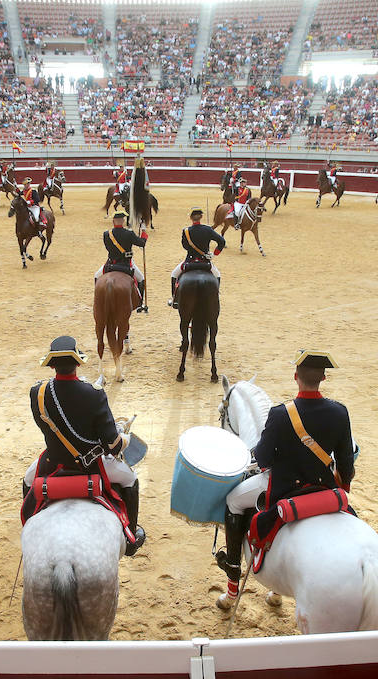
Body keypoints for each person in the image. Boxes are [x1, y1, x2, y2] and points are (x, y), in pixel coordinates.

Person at [218, 351, 355, 595]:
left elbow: (262, 459)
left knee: (233, 501)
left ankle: (233, 565)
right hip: (324, 488)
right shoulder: (340, 412)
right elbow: (346, 465)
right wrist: (340, 493)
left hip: (283, 487)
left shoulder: (280, 414)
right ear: (324, 378)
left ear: (296, 377)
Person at [24, 335, 144, 554]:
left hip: (54, 463)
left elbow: (44, 428)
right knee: (130, 479)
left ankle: (28, 526)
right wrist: (125, 438)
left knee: (27, 479)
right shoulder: (93, 394)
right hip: (90, 466)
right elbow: (113, 446)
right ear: (78, 363)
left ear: (51, 365)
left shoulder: (38, 394)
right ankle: (132, 538)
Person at [168, 207, 226, 308]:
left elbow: (185, 246)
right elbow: (221, 241)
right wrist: (215, 253)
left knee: (174, 275)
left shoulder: (186, 231)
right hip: (205, 262)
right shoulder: (208, 229)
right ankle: (215, 296)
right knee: (217, 275)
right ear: (201, 217)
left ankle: (175, 299)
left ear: (191, 218)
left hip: (190, 261)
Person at [95, 210, 146, 302]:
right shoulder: (129, 233)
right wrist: (143, 232)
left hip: (111, 263)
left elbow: (108, 248)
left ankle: (98, 299)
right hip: (126, 264)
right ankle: (140, 303)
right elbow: (142, 243)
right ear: (123, 221)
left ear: (113, 221)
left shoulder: (107, 234)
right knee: (141, 278)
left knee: (96, 276)